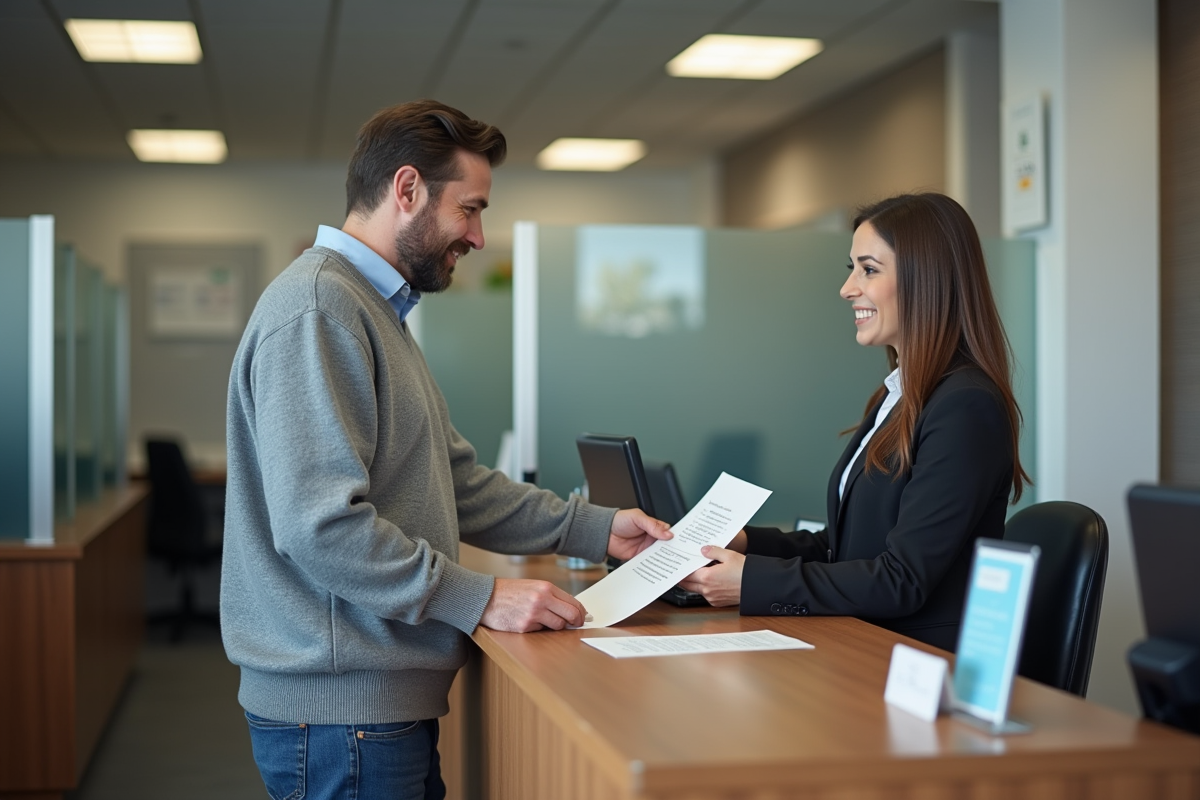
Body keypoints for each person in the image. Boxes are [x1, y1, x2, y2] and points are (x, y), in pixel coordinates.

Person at [220, 99, 671, 800]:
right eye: (471, 209)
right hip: (343, 714)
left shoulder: (374, 310)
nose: (480, 237)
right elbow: (320, 526)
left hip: (372, 707)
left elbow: (456, 483)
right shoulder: (319, 308)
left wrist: (599, 528)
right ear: (406, 190)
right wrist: (479, 597)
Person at [679, 192, 1029, 651]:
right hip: (860, 641)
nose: (848, 289)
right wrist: (744, 543)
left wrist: (752, 582)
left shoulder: (965, 406)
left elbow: (900, 579)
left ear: (927, 279)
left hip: (910, 659)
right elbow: (844, 547)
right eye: (852, 269)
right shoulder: (900, 395)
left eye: (869, 269)